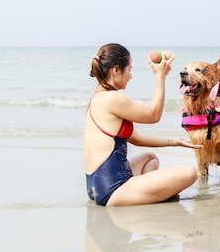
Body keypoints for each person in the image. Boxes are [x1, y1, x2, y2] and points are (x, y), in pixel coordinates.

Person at [84, 43, 201, 206]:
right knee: (189, 173)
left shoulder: (97, 99)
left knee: (150, 159)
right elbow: (153, 115)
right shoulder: (112, 98)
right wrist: (160, 76)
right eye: (129, 69)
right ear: (116, 70)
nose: (130, 76)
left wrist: (175, 142)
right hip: (112, 190)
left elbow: (137, 140)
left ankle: (146, 194)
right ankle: (145, 195)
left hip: (95, 186)